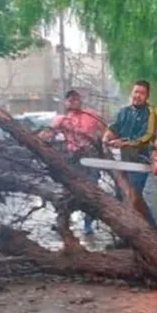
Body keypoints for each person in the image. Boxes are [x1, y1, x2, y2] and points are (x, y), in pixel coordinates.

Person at [103, 80, 157, 230]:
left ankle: (146, 231)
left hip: (141, 162)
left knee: (133, 198)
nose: (138, 96)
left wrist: (125, 143)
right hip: (124, 161)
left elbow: (147, 136)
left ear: (147, 96)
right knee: (127, 198)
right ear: (131, 93)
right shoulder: (124, 111)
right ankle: (148, 231)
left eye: (142, 93)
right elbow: (114, 128)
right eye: (136, 92)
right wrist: (107, 136)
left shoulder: (150, 112)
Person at [51, 89, 105, 233]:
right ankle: (63, 222)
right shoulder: (62, 120)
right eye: (70, 100)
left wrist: (104, 146)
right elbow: (49, 133)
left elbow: (105, 132)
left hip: (90, 157)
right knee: (68, 189)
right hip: (73, 157)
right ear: (65, 102)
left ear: (80, 101)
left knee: (92, 190)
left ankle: (88, 223)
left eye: (76, 99)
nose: (73, 102)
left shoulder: (91, 115)